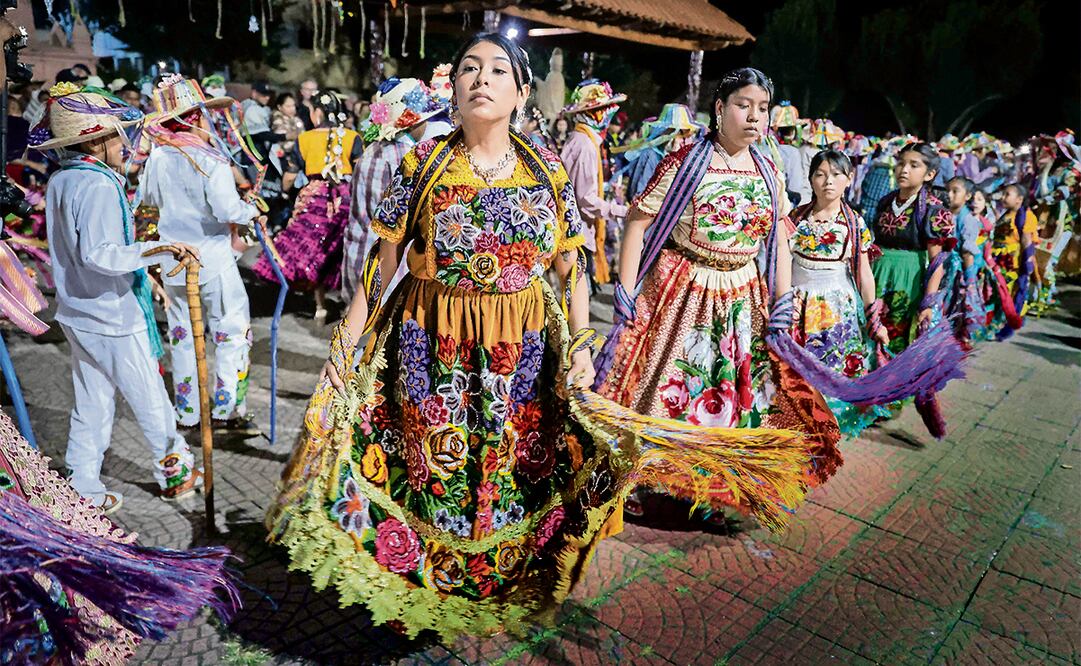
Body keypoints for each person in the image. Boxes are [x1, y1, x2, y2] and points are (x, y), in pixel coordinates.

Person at [266, 32, 631, 639]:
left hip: (522, 353)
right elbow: (381, 269)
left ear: (520, 91)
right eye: (468, 69)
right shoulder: (425, 163)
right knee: (434, 470)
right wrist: (346, 347)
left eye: (496, 71)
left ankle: (494, 585)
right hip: (433, 347)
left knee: (508, 469)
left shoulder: (547, 169)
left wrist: (584, 347)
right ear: (452, 87)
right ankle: (424, 590)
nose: (481, 80)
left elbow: (571, 271)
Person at [596, 68, 841, 520]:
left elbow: (782, 237)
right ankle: (660, 478)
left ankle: (714, 483)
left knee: (735, 390)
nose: (754, 117)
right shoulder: (687, 161)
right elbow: (638, 219)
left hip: (743, 293)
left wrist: (783, 299)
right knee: (668, 383)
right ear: (720, 109)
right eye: (743, 105)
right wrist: (625, 287)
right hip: (683, 289)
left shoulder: (767, 170)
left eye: (762, 109)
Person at [30, 83, 202, 512]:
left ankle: (82, 481)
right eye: (113, 136)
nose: (122, 144)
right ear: (93, 140)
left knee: (91, 400)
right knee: (150, 398)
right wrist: (158, 249)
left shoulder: (62, 179)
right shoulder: (97, 185)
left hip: (77, 310)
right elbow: (100, 255)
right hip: (109, 314)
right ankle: (174, 472)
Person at [141, 74, 263, 432]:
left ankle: (189, 411)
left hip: (173, 261)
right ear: (195, 117)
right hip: (212, 259)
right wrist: (251, 210)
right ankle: (225, 410)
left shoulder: (159, 157)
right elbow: (228, 210)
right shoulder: (210, 159)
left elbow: (148, 200)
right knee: (230, 332)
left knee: (182, 334)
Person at [783, 149, 890, 435]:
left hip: (836, 306)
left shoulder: (854, 224)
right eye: (820, 174)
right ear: (810, 180)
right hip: (797, 301)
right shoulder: (795, 218)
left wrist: (873, 316)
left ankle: (827, 423)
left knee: (832, 363)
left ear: (849, 179)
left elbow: (863, 272)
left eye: (836, 174)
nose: (827, 181)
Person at [252, 90, 362, 322]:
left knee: (315, 252)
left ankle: (320, 305)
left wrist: (283, 191)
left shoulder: (305, 139)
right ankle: (350, 304)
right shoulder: (353, 137)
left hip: (314, 199)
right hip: (346, 198)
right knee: (342, 251)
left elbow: (291, 176)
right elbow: (360, 171)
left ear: (318, 113)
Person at [341, 77, 443, 301]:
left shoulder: (371, 151)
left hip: (358, 258)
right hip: (390, 272)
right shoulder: (409, 158)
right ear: (414, 122)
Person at [870, 142, 956, 355]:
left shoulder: (933, 210)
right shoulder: (885, 202)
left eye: (914, 165)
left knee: (897, 337)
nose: (904, 169)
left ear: (929, 174)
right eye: (901, 163)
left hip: (908, 281)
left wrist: (927, 302)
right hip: (877, 274)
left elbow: (937, 262)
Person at [560, 79, 628, 286]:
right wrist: (622, 211)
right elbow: (586, 199)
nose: (608, 116)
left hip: (575, 231)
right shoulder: (585, 145)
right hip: (577, 234)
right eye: (605, 110)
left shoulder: (580, 140)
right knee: (577, 299)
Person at [990, 182, 1038, 332]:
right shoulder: (1007, 213)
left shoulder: (1026, 216)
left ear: (1019, 199)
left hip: (1011, 261)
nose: (1003, 197)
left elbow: (1026, 240)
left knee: (1007, 292)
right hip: (998, 258)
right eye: (1003, 194)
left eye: (1007, 194)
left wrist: (1028, 261)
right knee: (997, 290)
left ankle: (1002, 323)